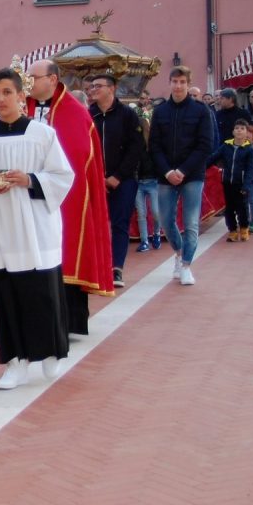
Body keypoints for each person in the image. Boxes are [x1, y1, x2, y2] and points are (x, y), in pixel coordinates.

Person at [0, 68, 74, 390]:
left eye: (8, 92)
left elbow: (62, 176)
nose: (1, 99)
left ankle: (51, 352)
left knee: (43, 292)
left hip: (36, 226)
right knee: (8, 296)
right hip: (2, 228)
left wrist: (30, 179)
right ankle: (15, 362)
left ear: (22, 96)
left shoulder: (42, 135)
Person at [28, 60, 112, 333]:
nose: (28, 83)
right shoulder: (23, 108)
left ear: (52, 79)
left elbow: (77, 156)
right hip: (27, 197)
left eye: (33, 77)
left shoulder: (73, 112)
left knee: (66, 251)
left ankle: (67, 322)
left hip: (65, 198)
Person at [148, 66, 216, 286]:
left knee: (191, 223)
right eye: (175, 82)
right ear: (169, 83)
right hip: (166, 175)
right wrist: (168, 171)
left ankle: (186, 265)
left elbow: (205, 145)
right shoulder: (160, 111)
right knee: (166, 220)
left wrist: (183, 170)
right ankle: (178, 252)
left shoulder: (200, 110)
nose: (178, 86)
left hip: (192, 174)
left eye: (182, 82)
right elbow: (154, 145)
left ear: (188, 84)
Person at [87, 74, 144, 288]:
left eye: (98, 86)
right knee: (95, 225)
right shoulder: (88, 115)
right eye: (92, 86)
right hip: (94, 180)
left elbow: (136, 148)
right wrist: (96, 177)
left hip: (123, 180)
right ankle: (97, 267)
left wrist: (117, 176)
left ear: (112, 88)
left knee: (120, 224)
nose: (93, 89)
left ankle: (116, 268)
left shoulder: (127, 114)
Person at [206, 121, 253, 243]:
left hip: (241, 184)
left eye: (242, 128)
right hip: (227, 182)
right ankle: (232, 230)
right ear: (233, 132)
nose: (239, 130)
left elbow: (250, 169)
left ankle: (244, 228)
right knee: (229, 209)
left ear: (246, 133)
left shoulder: (249, 149)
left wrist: (246, 185)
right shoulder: (226, 146)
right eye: (237, 128)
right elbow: (213, 158)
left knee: (242, 208)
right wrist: (202, 166)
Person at [134, 115, 163, 252]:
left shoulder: (152, 145)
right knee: (141, 213)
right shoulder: (134, 146)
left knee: (156, 212)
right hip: (138, 182)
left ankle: (156, 233)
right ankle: (144, 240)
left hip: (153, 180)